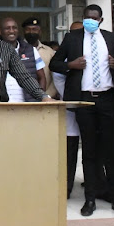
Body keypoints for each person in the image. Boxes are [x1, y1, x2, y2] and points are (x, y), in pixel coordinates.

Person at [50, 4, 114, 218]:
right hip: (84, 101)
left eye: (94, 18)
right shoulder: (72, 38)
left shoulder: (111, 38)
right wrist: (71, 65)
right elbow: (54, 64)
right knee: (90, 151)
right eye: (87, 17)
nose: (90, 21)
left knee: (111, 150)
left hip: (107, 100)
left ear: (101, 20)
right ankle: (90, 198)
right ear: (83, 18)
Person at [52, 21, 83, 198]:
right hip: (71, 107)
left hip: (92, 109)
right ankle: (67, 186)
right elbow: (57, 76)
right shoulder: (65, 55)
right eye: (72, 33)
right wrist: (72, 98)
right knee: (70, 149)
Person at [1, 17, 47, 102]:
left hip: (27, 105)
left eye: (14, 28)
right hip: (1, 106)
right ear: (0, 31)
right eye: (7, 28)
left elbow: (42, 77)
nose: (11, 31)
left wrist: (40, 98)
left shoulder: (30, 50)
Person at [22, 17, 59, 99]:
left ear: (40, 32)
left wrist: (48, 95)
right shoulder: (17, 49)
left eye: (35, 29)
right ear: (24, 31)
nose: (31, 32)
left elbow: (55, 76)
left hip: (47, 97)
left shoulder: (49, 51)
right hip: (23, 98)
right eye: (28, 29)